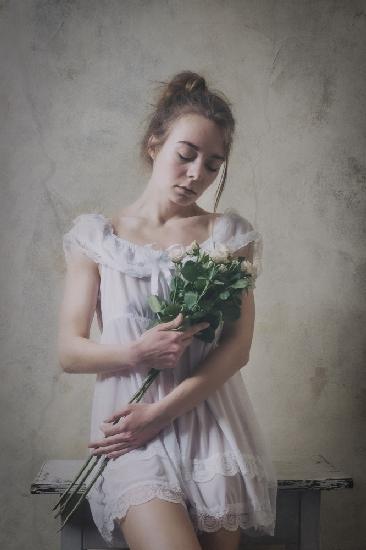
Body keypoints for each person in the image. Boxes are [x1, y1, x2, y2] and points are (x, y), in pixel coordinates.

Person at [58, 71, 277, 550]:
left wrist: (162, 412)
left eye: (214, 165)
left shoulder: (227, 237)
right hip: (132, 432)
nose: (197, 174)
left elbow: (237, 349)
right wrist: (138, 351)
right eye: (186, 154)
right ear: (155, 144)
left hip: (209, 423)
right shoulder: (97, 238)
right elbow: (70, 352)